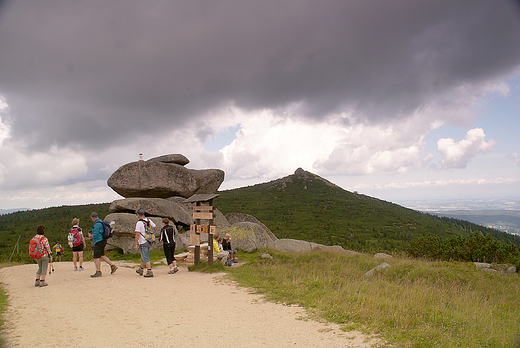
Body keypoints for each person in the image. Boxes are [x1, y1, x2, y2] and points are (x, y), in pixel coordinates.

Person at [88, 212, 118, 277]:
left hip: (98, 241)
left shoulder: (97, 224)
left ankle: (98, 271)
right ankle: (112, 266)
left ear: (92, 218)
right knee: (102, 255)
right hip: (103, 240)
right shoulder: (101, 222)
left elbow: (95, 235)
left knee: (96, 257)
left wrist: (90, 235)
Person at [134, 209, 156, 278]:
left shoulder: (139, 223)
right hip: (149, 240)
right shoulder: (148, 220)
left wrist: (135, 243)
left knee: (145, 256)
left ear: (138, 215)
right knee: (144, 255)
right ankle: (141, 269)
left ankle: (149, 271)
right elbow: (155, 227)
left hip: (143, 241)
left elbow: (137, 234)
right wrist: (150, 233)